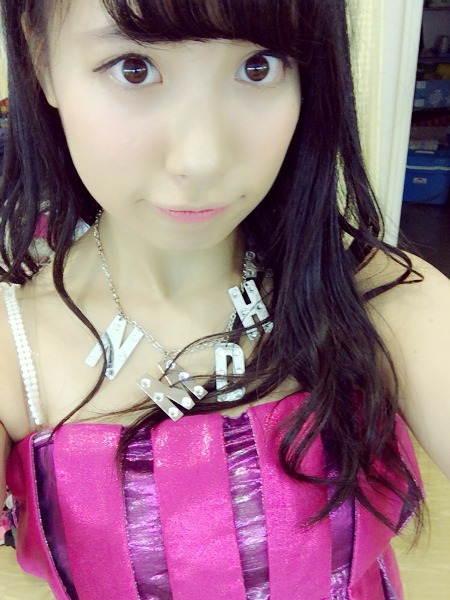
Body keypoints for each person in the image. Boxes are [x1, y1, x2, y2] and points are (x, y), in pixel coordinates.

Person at [0, 0, 449, 598]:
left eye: (258, 66)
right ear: (40, 58)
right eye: (134, 68)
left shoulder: (377, 297)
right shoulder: (15, 349)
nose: (202, 159)